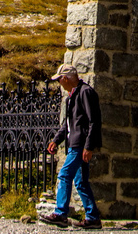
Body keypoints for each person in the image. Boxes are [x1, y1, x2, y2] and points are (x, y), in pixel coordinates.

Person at [40, 63, 102, 229]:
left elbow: (93, 121)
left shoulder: (85, 93)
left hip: (79, 145)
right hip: (76, 143)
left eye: (59, 79)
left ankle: (60, 213)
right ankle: (92, 217)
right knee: (80, 181)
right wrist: (56, 140)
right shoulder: (72, 96)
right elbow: (68, 124)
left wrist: (88, 147)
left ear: (65, 78)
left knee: (64, 175)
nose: (59, 83)